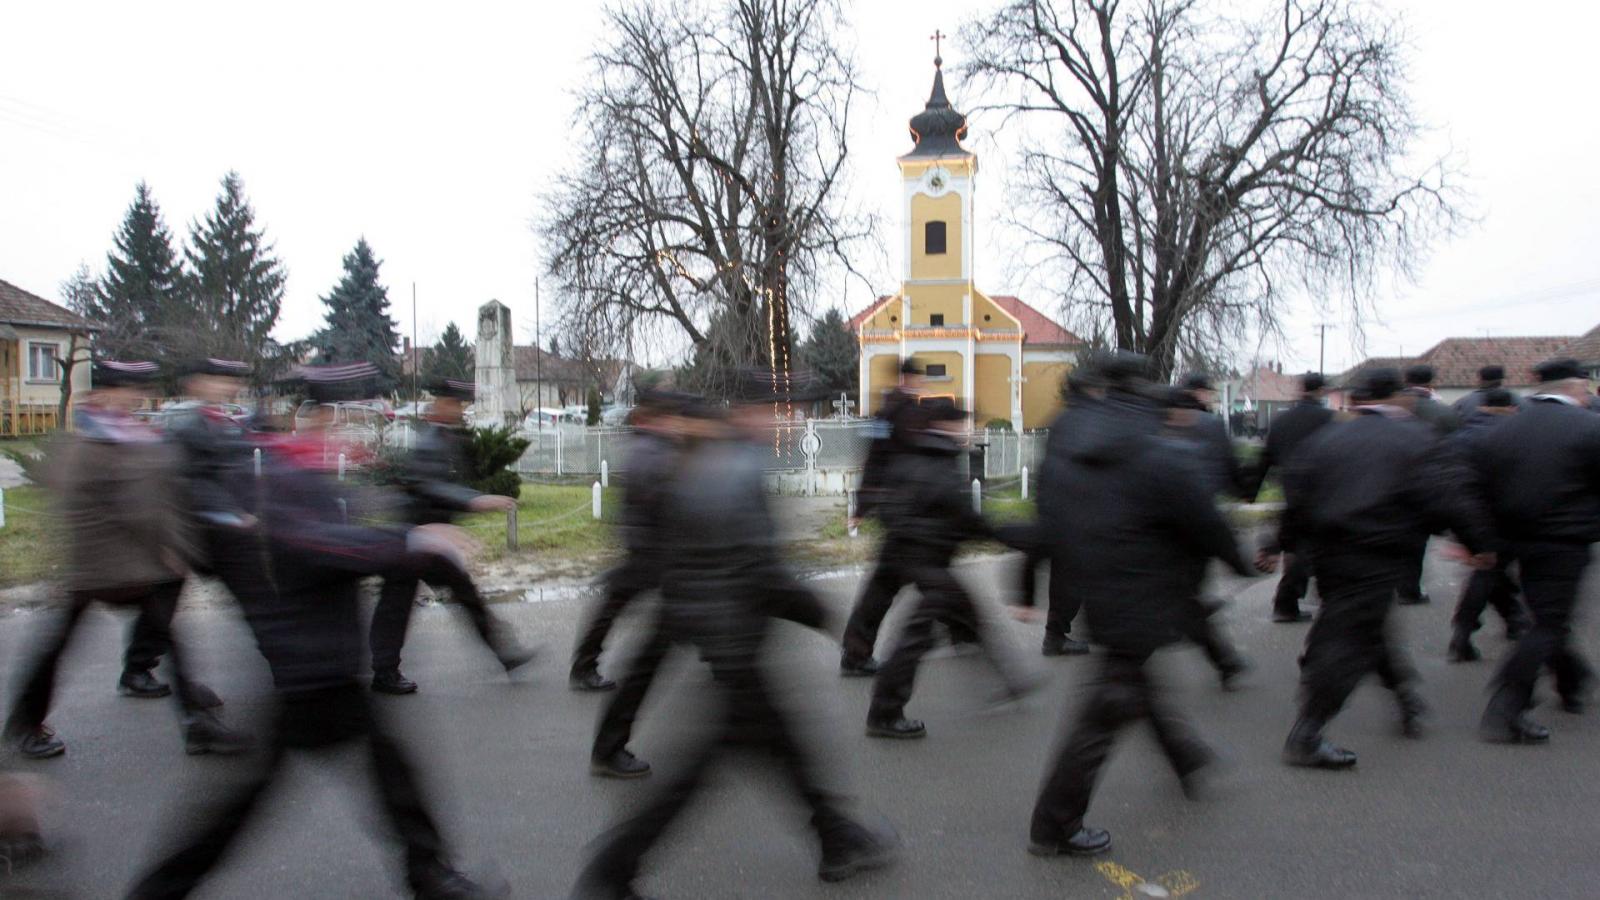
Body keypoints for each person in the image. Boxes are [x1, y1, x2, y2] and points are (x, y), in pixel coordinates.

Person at [125, 364, 506, 899]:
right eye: (343, 420)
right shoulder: (280, 477)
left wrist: (397, 539)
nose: (348, 434)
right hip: (306, 663)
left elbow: (335, 537)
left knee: (385, 771)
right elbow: (320, 545)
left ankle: (428, 874)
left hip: (321, 661)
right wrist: (411, 542)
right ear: (317, 419)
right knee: (248, 803)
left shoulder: (304, 475)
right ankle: (160, 888)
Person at [572, 372, 899, 899]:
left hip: (726, 632)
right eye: (777, 409)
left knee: (779, 741)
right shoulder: (731, 467)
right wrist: (821, 613)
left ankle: (836, 838)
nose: (784, 419)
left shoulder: (708, 459)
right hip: (733, 637)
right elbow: (754, 566)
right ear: (750, 411)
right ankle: (612, 870)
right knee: (700, 768)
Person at [1022, 353, 1256, 858]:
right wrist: (1242, 562)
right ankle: (1054, 825)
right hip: (1141, 596)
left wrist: (1029, 578)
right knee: (1107, 707)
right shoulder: (1153, 448)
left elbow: (1050, 514)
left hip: (1102, 588)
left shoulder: (1077, 441)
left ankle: (1187, 758)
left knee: (1133, 687)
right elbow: (1203, 519)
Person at [3, 360, 246, 760]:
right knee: (59, 646)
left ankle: (194, 721)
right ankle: (26, 724)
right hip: (99, 565)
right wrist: (168, 546)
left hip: (132, 563)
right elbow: (135, 506)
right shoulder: (91, 443)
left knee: (166, 635)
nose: (134, 397)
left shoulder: (129, 435)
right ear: (100, 394)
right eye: (125, 389)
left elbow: (158, 495)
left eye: (136, 390)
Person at [1268, 367, 1495, 769]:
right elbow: (1451, 494)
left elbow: (1297, 498)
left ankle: (1406, 699)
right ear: (1400, 397)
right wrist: (1479, 543)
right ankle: (1307, 733)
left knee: (1367, 625)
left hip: (1330, 555)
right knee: (1350, 640)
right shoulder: (1415, 439)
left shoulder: (1326, 439)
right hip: (1377, 551)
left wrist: (1279, 543)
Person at [864, 399, 1035, 739]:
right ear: (945, 425)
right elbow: (965, 517)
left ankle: (1011, 681)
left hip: (915, 557)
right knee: (917, 635)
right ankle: (884, 713)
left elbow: (887, 506)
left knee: (969, 616)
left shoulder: (915, 453)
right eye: (961, 423)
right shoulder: (940, 463)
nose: (966, 430)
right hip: (928, 562)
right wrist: (1011, 535)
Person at [368, 378, 532, 695]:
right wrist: (473, 500)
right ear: (440, 405)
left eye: (461, 405)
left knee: (461, 596)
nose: (459, 411)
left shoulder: (445, 438)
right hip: (417, 538)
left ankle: (505, 655)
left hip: (432, 540)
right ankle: (384, 671)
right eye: (455, 404)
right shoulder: (431, 441)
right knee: (397, 603)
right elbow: (430, 486)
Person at [1470, 358, 1600, 744]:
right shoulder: (1589, 428)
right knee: (1548, 623)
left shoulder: (1502, 430)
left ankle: (1572, 681)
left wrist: (1483, 539)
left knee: (1548, 616)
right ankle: (1507, 706)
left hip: (1518, 540)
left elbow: (1481, 488)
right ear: (1575, 387)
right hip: (1565, 542)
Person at [840, 359, 975, 676]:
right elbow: (874, 459)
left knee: (903, 581)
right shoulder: (889, 414)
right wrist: (862, 506)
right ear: (905, 378)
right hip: (904, 511)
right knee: (914, 580)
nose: (919, 383)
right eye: (915, 378)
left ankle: (960, 632)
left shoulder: (908, 411)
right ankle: (961, 632)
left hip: (909, 510)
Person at [569, 376, 686, 692]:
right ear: (652, 418)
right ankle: (585, 667)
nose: (674, 423)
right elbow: (660, 497)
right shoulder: (651, 451)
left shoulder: (651, 447)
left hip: (648, 546)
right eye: (669, 418)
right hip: (650, 549)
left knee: (619, 605)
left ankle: (584, 665)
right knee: (622, 606)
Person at [1165, 384, 1251, 688]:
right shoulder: (1208, 430)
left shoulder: (1168, 444)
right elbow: (1230, 467)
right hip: (1194, 531)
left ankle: (1226, 661)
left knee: (1182, 604)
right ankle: (1225, 659)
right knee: (1183, 601)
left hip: (1184, 536)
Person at [1014, 367, 1098, 656]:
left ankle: (1059, 634)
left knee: (1070, 575)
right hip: (1077, 511)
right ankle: (1059, 635)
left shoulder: (1063, 420)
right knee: (1077, 574)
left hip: (1058, 507)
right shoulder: (1086, 421)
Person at [1442, 388, 1530, 662]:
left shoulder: (1461, 437)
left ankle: (1513, 620)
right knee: (1490, 572)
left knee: (1493, 572)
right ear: (1513, 408)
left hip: (1468, 515)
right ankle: (1464, 632)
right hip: (1507, 515)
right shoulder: (1518, 436)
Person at [1247, 372, 1337, 623]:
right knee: (1315, 545)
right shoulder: (1330, 419)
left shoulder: (1282, 420)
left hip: (1291, 488)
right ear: (1321, 391)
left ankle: (1294, 597)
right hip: (1324, 489)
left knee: (1300, 543)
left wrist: (1251, 491)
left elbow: (1265, 457)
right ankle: (1290, 602)